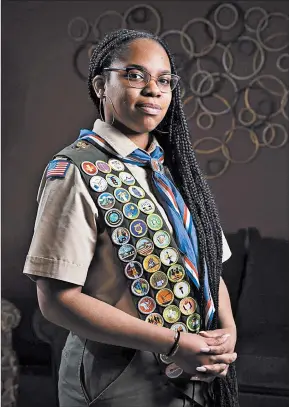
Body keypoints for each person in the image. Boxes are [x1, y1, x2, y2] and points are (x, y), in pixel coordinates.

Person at [23, 29, 238, 407]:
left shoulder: (177, 169)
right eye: (135, 75)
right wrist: (173, 343)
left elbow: (209, 266)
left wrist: (226, 332)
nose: (154, 90)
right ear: (101, 85)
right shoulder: (76, 170)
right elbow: (56, 299)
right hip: (119, 379)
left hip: (195, 374)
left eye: (164, 80)